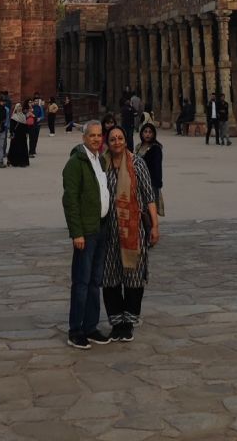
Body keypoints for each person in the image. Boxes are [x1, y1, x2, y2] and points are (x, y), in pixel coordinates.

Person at [102, 125, 159, 339]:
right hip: (108, 231)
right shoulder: (102, 164)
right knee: (110, 276)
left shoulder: (136, 163)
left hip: (133, 230)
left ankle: (129, 321)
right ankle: (116, 321)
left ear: (125, 140)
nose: (117, 142)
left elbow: (149, 196)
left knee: (133, 277)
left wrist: (155, 225)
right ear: (107, 142)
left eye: (120, 138)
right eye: (113, 139)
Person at [62, 121, 113, 349]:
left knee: (95, 282)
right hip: (86, 232)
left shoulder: (99, 160)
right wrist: (77, 233)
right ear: (84, 138)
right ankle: (76, 329)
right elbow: (70, 200)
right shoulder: (75, 163)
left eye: (99, 135)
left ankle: (91, 326)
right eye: (92, 135)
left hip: (100, 228)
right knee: (81, 282)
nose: (96, 139)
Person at [137, 121, 164, 217]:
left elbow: (157, 168)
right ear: (142, 133)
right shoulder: (139, 147)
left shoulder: (155, 148)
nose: (147, 134)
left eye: (150, 132)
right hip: (138, 183)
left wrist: (156, 185)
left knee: (149, 212)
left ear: (153, 134)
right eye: (145, 132)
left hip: (151, 184)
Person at [7, 100, 31, 167]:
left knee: (22, 147)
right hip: (16, 134)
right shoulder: (14, 117)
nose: (20, 107)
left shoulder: (23, 116)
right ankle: (14, 161)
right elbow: (12, 127)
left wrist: (27, 133)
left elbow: (26, 126)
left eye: (20, 106)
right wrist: (11, 133)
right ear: (16, 108)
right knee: (15, 148)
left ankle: (22, 162)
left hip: (22, 134)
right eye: (18, 106)